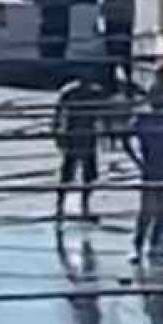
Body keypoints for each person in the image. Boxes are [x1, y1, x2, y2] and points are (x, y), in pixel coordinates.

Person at [125, 95, 163, 263]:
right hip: (150, 169)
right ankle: (139, 245)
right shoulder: (144, 120)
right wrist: (137, 160)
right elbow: (126, 136)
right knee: (147, 210)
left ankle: (157, 243)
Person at [53, 76, 108, 225]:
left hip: (85, 136)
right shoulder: (75, 93)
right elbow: (59, 112)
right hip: (78, 135)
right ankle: (63, 206)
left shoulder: (89, 94)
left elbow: (103, 115)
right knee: (70, 172)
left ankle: (81, 206)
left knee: (85, 173)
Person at [98, 0, 135, 91]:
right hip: (111, 27)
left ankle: (128, 80)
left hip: (124, 27)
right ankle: (110, 83)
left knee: (125, 57)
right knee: (110, 57)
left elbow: (129, 10)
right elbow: (102, 10)